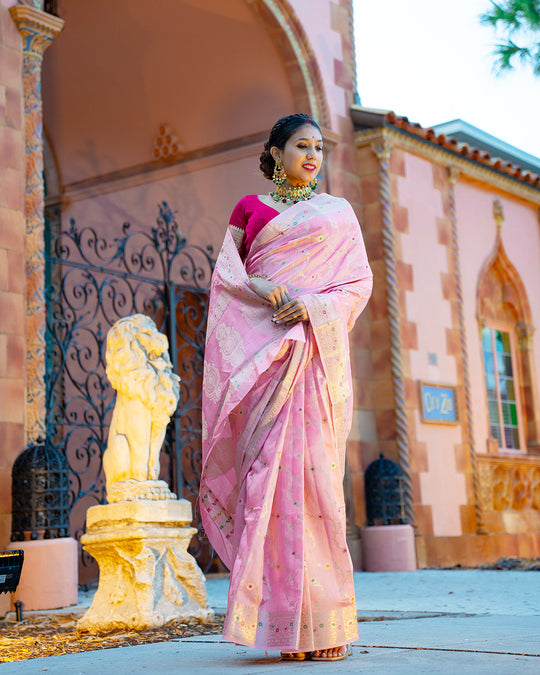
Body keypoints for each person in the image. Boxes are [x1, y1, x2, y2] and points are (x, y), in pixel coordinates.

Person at [200, 113, 373, 662]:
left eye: (319, 147)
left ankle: (325, 629)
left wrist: (314, 306)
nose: (313, 155)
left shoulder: (338, 214)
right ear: (276, 152)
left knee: (318, 490)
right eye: (302, 145)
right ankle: (279, 629)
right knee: (265, 495)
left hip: (312, 361)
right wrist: (268, 286)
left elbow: (357, 284)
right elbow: (227, 277)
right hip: (264, 359)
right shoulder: (248, 210)